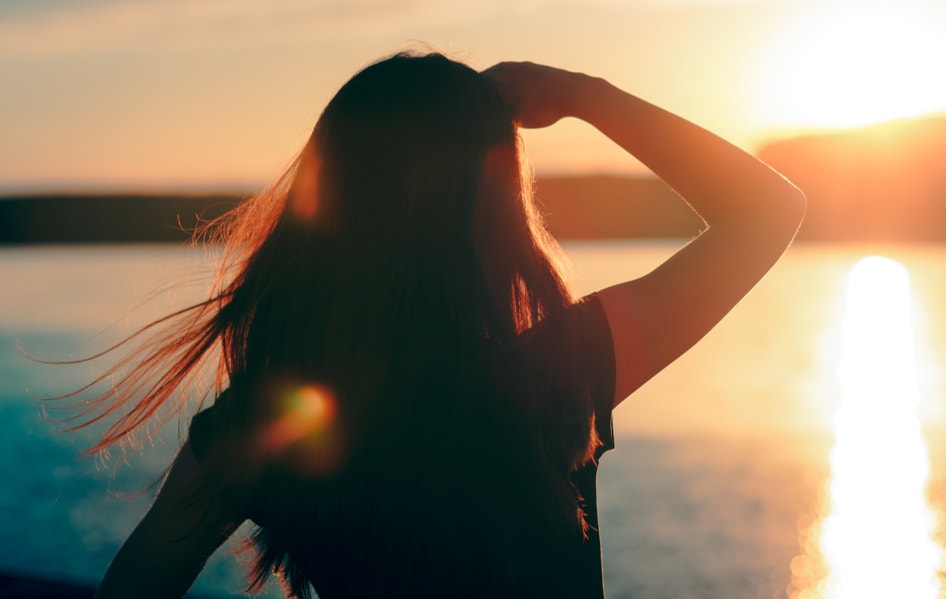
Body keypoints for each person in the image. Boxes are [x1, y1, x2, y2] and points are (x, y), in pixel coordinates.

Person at [75, 51, 805, 598]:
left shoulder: (258, 429)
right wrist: (585, 96)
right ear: (493, 216)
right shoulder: (551, 375)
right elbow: (768, 211)